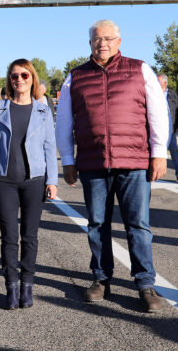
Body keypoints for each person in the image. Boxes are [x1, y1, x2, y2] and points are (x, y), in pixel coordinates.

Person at [55, 19, 169, 313]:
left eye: (108, 38)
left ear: (119, 41)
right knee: (97, 224)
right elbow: (64, 121)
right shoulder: (76, 77)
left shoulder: (139, 69)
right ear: (90, 42)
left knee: (138, 226)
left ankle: (145, 284)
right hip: (93, 163)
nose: (102, 43)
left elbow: (158, 113)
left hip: (133, 162)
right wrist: (68, 159)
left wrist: (159, 152)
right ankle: (101, 279)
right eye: (97, 38)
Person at [0, 59, 58, 310]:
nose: (20, 80)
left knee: (30, 236)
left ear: (32, 78)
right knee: (9, 237)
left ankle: (27, 285)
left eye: (25, 75)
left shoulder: (42, 110)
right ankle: (11, 287)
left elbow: (49, 147)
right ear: (10, 80)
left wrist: (52, 181)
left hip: (34, 181)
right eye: (15, 76)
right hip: (4, 181)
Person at [158, 74, 178, 182]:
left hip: (171, 129)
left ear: (165, 83)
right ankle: (150, 173)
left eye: (158, 81)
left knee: (175, 151)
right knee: (155, 151)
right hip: (158, 129)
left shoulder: (172, 94)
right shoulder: (153, 93)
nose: (156, 82)